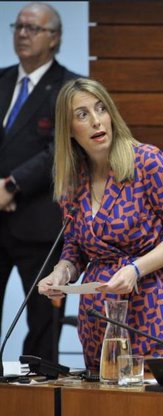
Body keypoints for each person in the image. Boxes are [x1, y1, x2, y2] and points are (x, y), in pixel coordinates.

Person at [37, 78, 163, 374]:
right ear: (69, 129)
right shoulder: (72, 182)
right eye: (82, 114)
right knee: (104, 411)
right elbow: (75, 249)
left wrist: (135, 269)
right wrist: (61, 273)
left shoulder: (147, 161)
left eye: (101, 109)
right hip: (99, 315)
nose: (97, 121)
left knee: (157, 408)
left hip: (153, 304)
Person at [0, 2, 80, 361]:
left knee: (42, 325)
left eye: (33, 28)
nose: (22, 34)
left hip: (40, 224)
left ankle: (38, 403)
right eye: (18, 26)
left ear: (55, 38)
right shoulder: (1, 80)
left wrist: (12, 185)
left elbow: (59, 149)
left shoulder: (68, 87)